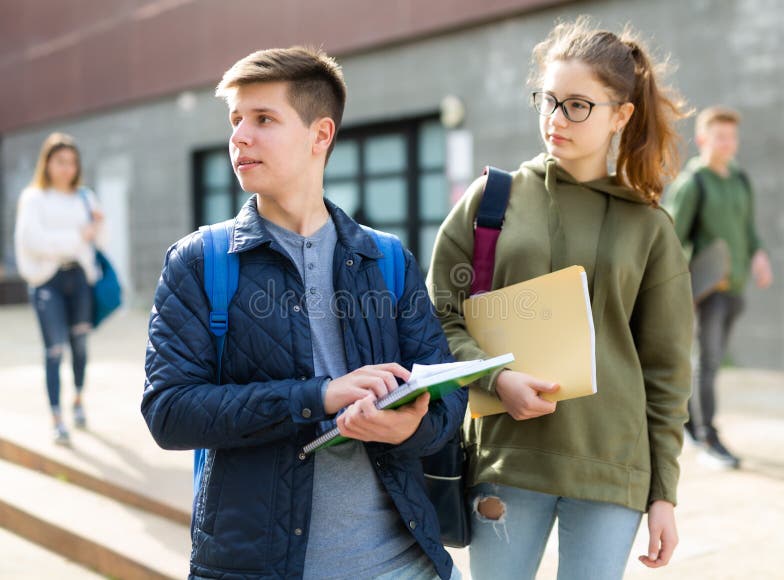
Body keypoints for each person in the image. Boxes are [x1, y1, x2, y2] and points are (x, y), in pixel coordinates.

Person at [142, 47, 466, 580]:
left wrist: (406, 430)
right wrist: (316, 396)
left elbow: (448, 401)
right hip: (258, 568)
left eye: (263, 119)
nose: (240, 136)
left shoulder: (386, 260)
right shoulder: (199, 262)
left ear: (321, 136)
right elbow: (170, 412)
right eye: (236, 120)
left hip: (408, 566)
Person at [427, 18, 694, 579]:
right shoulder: (492, 199)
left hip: (613, 466)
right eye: (548, 100)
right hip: (506, 457)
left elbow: (666, 371)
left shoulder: (648, 226)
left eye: (577, 105)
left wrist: (663, 494)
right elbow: (436, 316)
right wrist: (494, 379)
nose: (555, 119)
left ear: (621, 115)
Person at [664, 106, 772, 468]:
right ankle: (708, 434)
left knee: (710, 362)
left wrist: (759, 255)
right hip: (706, 292)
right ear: (702, 139)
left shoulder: (740, 181)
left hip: (736, 288)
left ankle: (692, 425)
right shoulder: (692, 184)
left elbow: (749, 229)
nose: (728, 144)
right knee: (707, 362)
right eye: (720, 137)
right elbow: (670, 241)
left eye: (732, 137)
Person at [14, 132, 104, 445]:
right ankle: (56, 417)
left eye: (72, 162)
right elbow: (32, 242)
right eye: (60, 161)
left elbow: (96, 242)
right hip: (46, 282)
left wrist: (82, 235)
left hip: (79, 279)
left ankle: (77, 400)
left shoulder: (85, 197)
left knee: (80, 345)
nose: (67, 168)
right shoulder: (33, 198)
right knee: (54, 350)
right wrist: (79, 235)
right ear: (47, 163)